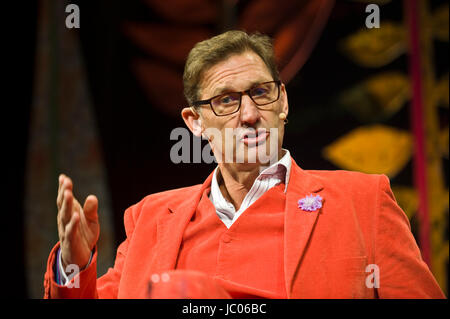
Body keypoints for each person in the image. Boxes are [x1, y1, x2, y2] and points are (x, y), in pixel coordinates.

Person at [43, 30, 445, 299]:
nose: (249, 114)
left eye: (260, 92)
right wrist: (75, 266)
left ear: (283, 102)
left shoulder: (362, 202)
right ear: (195, 122)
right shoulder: (150, 218)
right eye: (226, 100)